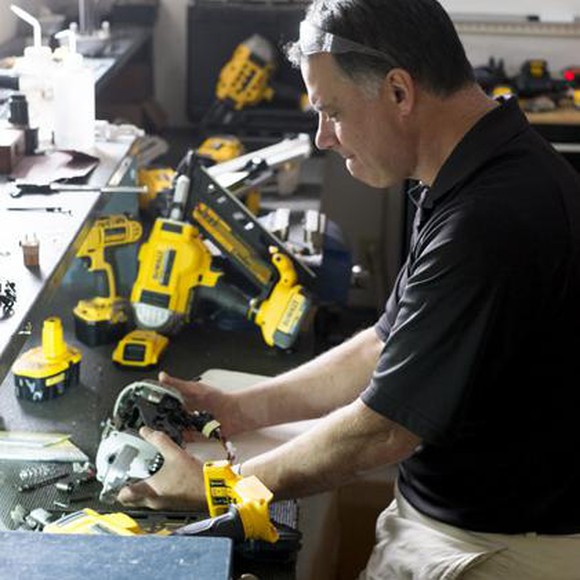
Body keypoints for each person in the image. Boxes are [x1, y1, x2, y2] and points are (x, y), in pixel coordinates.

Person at [118, 0, 580, 577]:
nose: (321, 139)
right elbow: (385, 346)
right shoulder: (470, 168)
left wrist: (222, 486)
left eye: (331, 111)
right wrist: (239, 409)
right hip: (455, 521)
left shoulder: (489, 219)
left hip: (488, 549)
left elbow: (383, 428)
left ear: (398, 92)